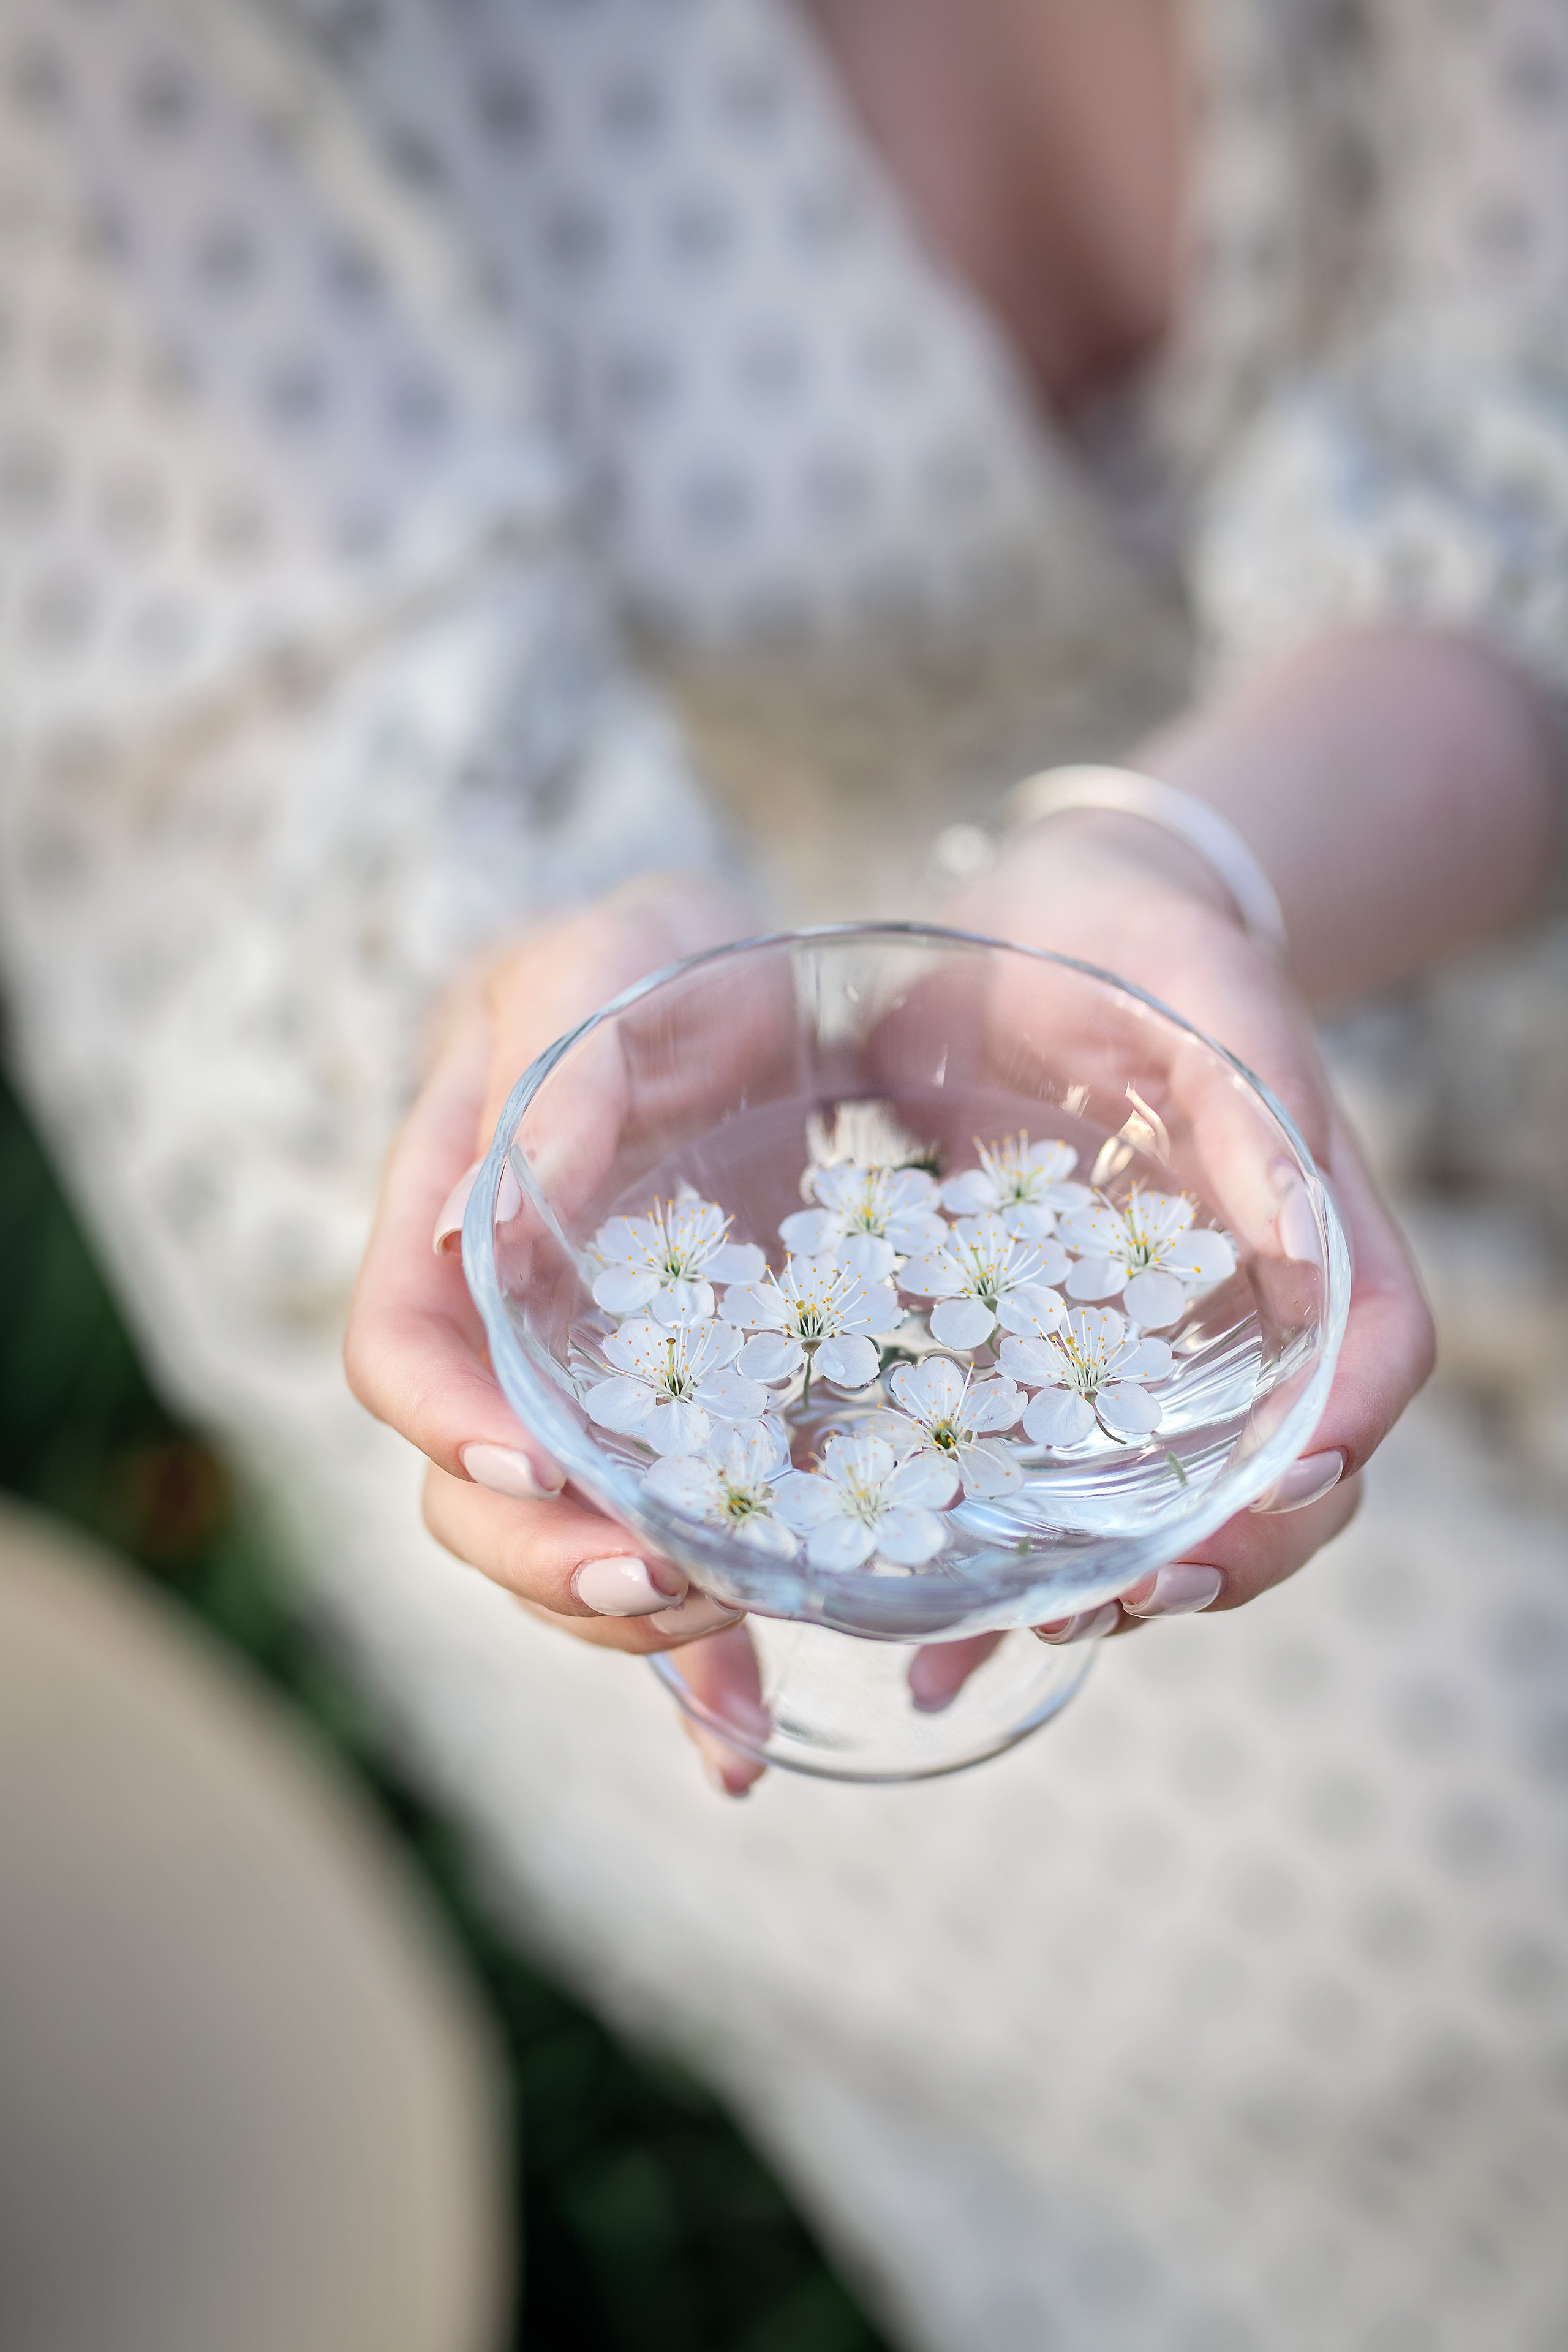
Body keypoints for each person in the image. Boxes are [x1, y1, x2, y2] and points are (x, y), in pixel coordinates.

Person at [2, 0, 1566, 2340]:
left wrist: (1173, 877)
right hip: (665, 1049)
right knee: (1481, 1920)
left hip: (1326, 862)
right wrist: (567, 1015)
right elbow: (279, 741)